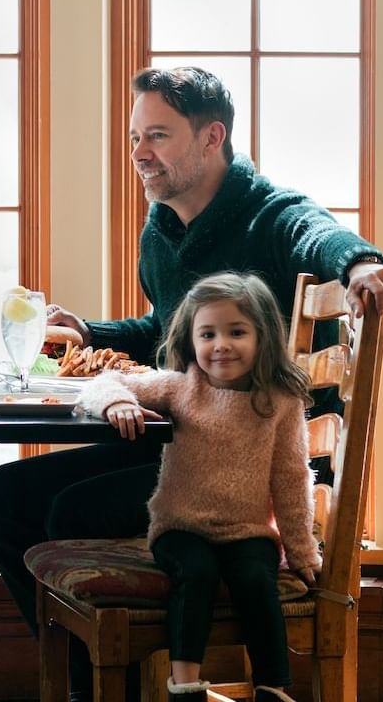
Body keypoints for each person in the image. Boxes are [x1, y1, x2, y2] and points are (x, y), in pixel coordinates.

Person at [0, 66, 383, 695]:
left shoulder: (267, 213)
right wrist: (88, 331)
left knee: (69, 510)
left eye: (158, 136)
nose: (139, 153)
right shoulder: (162, 230)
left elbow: (319, 233)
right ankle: (89, 687)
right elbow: (165, 332)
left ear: (211, 137)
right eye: (135, 137)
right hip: (189, 440)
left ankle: (109, 687)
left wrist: (361, 265)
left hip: (250, 467)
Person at [79, 272, 317, 702]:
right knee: (197, 573)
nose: (221, 344)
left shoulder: (279, 402)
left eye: (236, 332)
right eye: (208, 334)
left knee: (255, 579)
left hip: (248, 531)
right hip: (179, 528)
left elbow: (291, 480)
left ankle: (273, 688)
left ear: (263, 336)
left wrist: (302, 553)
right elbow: (104, 382)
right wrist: (118, 403)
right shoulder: (181, 387)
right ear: (191, 340)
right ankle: (186, 685)